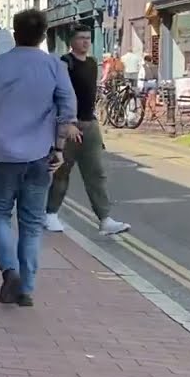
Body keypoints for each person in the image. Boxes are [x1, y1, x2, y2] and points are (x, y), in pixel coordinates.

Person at [0, 9, 78, 308]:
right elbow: (67, 108)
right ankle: (27, 288)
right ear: (44, 35)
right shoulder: (54, 67)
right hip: (40, 156)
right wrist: (59, 148)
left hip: (0, 156)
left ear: (15, 34)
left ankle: (10, 272)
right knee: (32, 224)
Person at [45, 29, 131, 236]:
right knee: (62, 171)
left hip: (89, 124)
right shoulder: (65, 63)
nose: (85, 42)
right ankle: (50, 214)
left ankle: (105, 219)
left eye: (88, 39)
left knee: (96, 173)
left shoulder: (93, 63)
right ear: (72, 41)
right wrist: (67, 124)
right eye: (81, 39)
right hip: (69, 126)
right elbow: (57, 96)